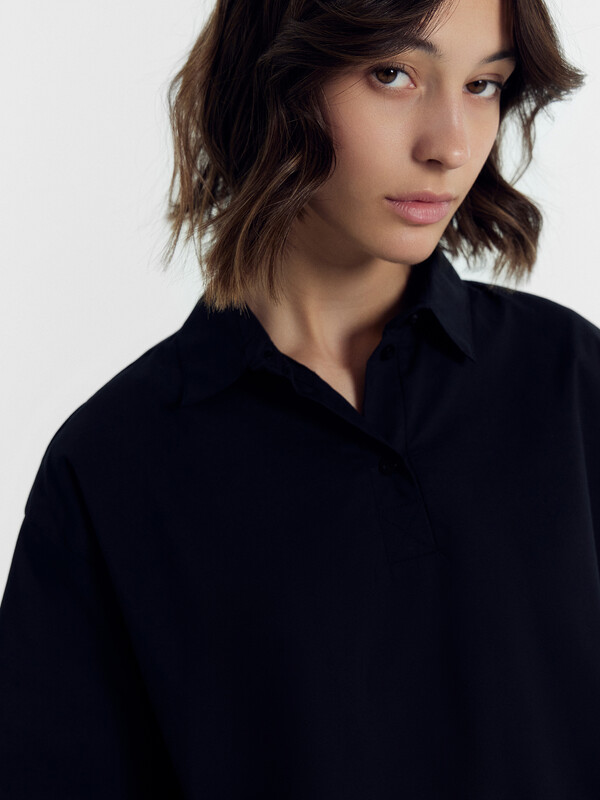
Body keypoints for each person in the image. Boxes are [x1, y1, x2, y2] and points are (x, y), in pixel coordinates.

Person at [0, 0, 598, 796]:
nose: (450, 145)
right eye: (392, 74)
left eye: (484, 85)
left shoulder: (569, 378)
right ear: (274, 78)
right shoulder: (113, 464)